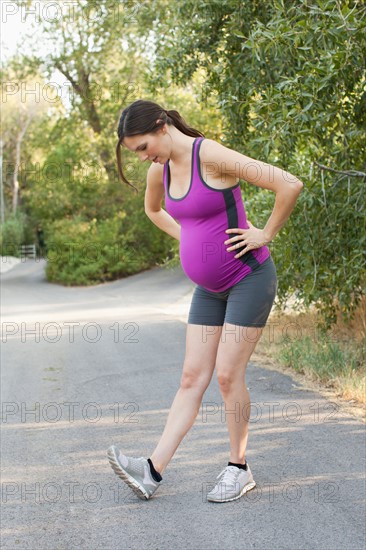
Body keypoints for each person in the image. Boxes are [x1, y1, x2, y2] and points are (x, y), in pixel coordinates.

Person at [107, 99, 303, 503]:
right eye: (137, 153)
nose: (145, 157)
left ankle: (239, 468)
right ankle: (151, 471)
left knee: (227, 376)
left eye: (144, 146)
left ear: (162, 126)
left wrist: (265, 233)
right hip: (208, 289)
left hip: (248, 277)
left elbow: (289, 183)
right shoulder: (158, 171)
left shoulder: (208, 155)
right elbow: (154, 210)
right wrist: (190, 239)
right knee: (191, 378)